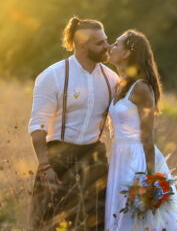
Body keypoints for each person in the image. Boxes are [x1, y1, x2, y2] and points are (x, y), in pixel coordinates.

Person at [28, 16, 119, 230]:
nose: (107, 46)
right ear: (81, 45)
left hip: (95, 160)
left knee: (92, 225)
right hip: (58, 158)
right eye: (99, 43)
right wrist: (45, 166)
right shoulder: (52, 76)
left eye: (106, 40)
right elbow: (38, 125)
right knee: (49, 223)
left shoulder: (112, 79)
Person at [105, 30, 177, 230]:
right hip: (119, 155)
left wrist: (150, 178)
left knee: (138, 218)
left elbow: (147, 137)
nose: (111, 46)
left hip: (137, 158)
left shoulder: (141, 88)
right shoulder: (120, 85)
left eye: (116, 44)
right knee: (119, 213)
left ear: (127, 53)